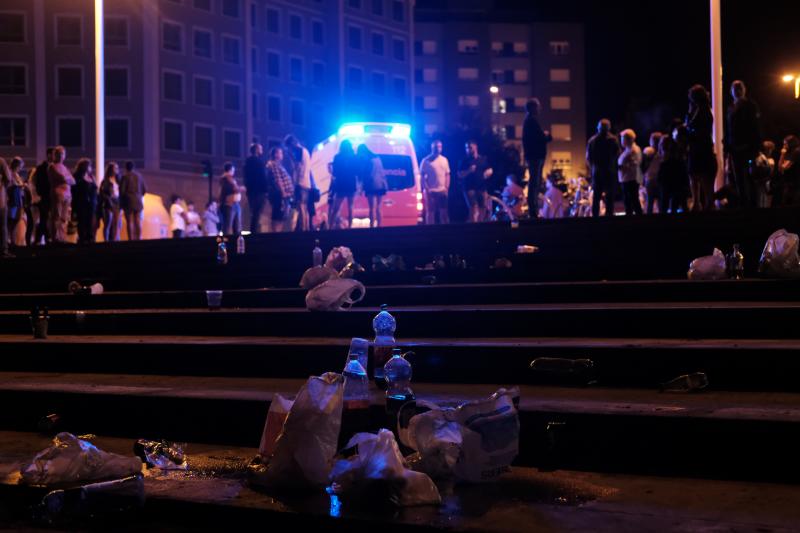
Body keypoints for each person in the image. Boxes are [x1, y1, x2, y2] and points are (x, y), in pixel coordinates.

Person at [724, 80, 761, 208]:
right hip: (735, 148)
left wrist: (754, 146)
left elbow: (754, 127)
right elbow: (729, 128)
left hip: (746, 147)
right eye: (735, 88)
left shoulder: (750, 105)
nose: (737, 90)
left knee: (749, 177)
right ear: (731, 91)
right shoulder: (731, 108)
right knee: (739, 177)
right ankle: (744, 204)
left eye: (739, 88)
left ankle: (752, 205)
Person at [685, 85, 718, 212]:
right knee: (695, 175)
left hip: (701, 148)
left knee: (703, 177)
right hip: (698, 148)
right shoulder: (698, 109)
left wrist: (689, 130)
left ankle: (706, 203)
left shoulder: (703, 110)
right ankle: (699, 203)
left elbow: (696, 127)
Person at [522, 98, 552, 218]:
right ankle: (533, 211)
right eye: (537, 106)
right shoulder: (532, 121)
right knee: (534, 183)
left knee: (534, 182)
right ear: (533, 108)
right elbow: (542, 138)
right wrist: (547, 135)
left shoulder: (528, 121)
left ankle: (533, 211)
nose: (539, 109)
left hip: (533, 156)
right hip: (535, 157)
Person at [586, 119, 621, 217]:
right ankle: (609, 219)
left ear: (598, 128)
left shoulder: (592, 141)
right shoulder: (613, 140)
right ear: (608, 128)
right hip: (610, 172)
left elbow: (588, 158)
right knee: (609, 198)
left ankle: (595, 218)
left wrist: (592, 168)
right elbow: (618, 155)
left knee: (596, 197)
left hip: (597, 172)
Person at [458, 140, 493, 223]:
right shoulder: (464, 161)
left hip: (481, 187)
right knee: (473, 207)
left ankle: (479, 224)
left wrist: (489, 172)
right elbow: (459, 174)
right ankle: (473, 226)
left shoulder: (483, 159)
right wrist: (469, 171)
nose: (468, 150)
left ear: (475, 146)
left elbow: (489, 168)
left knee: (483, 207)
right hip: (469, 187)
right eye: (466, 148)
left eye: (470, 147)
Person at [47, 146, 75, 243]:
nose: (60, 156)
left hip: (67, 195)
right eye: (58, 154)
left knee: (64, 217)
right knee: (56, 216)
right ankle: (56, 238)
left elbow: (73, 181)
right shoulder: (52, 166)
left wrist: (67, 179)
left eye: (62, 154)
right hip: (58, 194)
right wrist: (67, 179)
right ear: (55, 155)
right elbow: (62, 178)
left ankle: (62, 237)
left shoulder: (64, 167)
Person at [284, 135, 312, 232]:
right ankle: (307, 227)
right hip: (307, 183)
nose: (289, 149)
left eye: (289, 147)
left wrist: (291, 157)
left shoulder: (298, 151)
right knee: (304, 206)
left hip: (301, 182)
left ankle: (304, 229)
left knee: (301, 206)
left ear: (292, 143)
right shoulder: (305, 151)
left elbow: (296, 167)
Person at [329, 140, 358, 229]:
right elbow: (356, 171)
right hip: (351, 183)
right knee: (351, 206)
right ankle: (350, 226)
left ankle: (330, 226)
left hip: (341, 183)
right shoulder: (354, 157)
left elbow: (335, 172)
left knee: (336, 207)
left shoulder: (337, 157)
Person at [357, 144, 388, 228]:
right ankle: (379, 225)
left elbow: (366, 175)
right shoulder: (377, 158)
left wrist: (361, 188)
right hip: (381, 184)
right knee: (379, 207)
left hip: (371, 185)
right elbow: (381, 172)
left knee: (371, 208)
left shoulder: (367, 160)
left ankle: (371, 226)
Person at [265, 147, 295, 232]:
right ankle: (276, 235)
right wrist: (283, 193)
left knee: (282, 217)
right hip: (279, 195)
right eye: (280, 153)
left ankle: (278, 233)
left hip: (284, 195)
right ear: (275, 154)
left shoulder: (278, 165)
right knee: (278, 216)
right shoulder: (273, 164)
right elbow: (277, 179)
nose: (282, 155)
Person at [420, 139, 450, 225]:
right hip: (431, 190)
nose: (438, 149)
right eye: (436, 147)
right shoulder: (425, 161)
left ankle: (445, 231)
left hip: (442, 190)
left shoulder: (444, 160)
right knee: (430, 212)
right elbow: (422, 177)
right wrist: (426, 189)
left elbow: (447, 174)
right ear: (431, 148)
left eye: (439, 147)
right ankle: (430, 231)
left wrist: (446, 187)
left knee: (444, 212)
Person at [658, 135, 688, 214]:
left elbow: (661, 173)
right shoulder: (678, 157)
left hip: (668, 181)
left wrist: (659, 180)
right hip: (677, 181)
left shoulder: (665, 161)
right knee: (677, 202)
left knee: (665, 203)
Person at [71, 158, 98, 244]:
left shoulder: (91, 176)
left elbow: (95, 188)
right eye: (89, 166)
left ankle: (90, 237)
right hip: (81, 203)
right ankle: (82, 238)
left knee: (90, 220)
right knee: (82, 220)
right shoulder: (77, 176)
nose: (90, 168)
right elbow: (74, 189)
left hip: (91, 203)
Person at [243, 143, 268, 233]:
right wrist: (266, 190)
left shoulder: (247, 161)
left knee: (253, 213)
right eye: (260, 149)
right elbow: (263, 176)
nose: (262, 150)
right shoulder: (259, 162)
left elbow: (246, 177)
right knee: (257, 213)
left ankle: (254, 231)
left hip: (251, 191)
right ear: (257, 150)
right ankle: (255, 233)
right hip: (259, 191)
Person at [618, 129, 643, 216]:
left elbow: (634, 164)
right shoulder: (627, 150)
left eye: (622, 138)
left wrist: (621, 167)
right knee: (629, 201)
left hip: (631, 179)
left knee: (632, 200)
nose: (621, 140)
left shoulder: (634, 150)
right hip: (626, 178)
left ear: (628, 139)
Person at [120, 161, 146, 240]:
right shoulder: (139, 176)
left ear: (126, 168)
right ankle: (139, 238)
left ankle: (131, 240)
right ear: (133, 167)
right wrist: (138, 195)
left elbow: (122, 191)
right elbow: (145, 189)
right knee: (138, 220)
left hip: (129, 200)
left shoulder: (125, 177)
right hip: (138, 200)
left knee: (130, 221)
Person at [32, 147, 54, 244]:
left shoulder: (56, 166)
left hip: (53, 196)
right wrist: (40, 193)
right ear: (49, 155)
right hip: (45, 196)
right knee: (44, 217)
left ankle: (45, 237)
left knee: (49, 218)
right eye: (53, 154)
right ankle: (42, 238)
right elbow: (38, 182)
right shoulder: (41, 168)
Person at [8, 157, 29, 246]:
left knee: (16, 219)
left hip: (18, 200)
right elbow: (10, 185)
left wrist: (22, 185)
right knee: (11, 220)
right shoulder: (10, 173)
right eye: (20, 166)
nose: (20, 168)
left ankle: (12, 239)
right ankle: (10, 239)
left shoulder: (16, 174)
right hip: (12, 200)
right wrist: (20, 185)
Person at [219, 162, 244, 235]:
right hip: (229, 205)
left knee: (237, 227)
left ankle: (236, 245)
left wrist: (238, 189)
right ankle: (223, 246)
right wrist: (239, 189)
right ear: (229, 170)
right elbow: (228, 189)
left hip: (236, 204)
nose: (234, 172)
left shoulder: (231, 179)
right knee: (227, 227)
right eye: (233, 170)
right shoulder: (224, 179)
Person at [99, 162, 121, 242]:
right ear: (111, 169)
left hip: (117, 203)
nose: (117, 170)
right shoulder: (105, 181)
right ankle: (106, 241)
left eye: (117, 168)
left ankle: (115, 240)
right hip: (109, 203)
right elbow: (102, 193)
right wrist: (108, 199)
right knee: (108, 223)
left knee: (117, 223)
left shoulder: (118, 180)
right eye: (115, 168)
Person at [776, 135, 800, 206]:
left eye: (785, 144)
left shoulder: (796, 151)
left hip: (794, 184)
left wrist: (782, 154)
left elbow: (782, 168)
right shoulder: (793, 152)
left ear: (791, 143)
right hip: (792, 183)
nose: (784, 146)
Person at [751, 141, 776, 208]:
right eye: (771, 150)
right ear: (768, 149)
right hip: (761, 184)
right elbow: (761, 172)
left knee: (763, 202)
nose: (771, 152)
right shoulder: (760, 158)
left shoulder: (763, 158)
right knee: (762, 202)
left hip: (763, 184)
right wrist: (771, 167)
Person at [643, 132, 663, 214]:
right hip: (660, 180)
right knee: (661, 203)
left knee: (649, 203)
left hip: (650, 180)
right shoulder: (663, 152)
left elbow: (643, 167)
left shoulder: (648, 151)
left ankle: (648, 223)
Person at [0, 158, 11, 257]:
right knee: (3, 226)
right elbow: (8, 178)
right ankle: (4, 249)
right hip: (1, 200)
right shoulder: (1, 161)